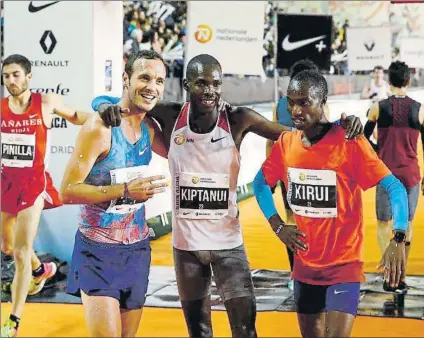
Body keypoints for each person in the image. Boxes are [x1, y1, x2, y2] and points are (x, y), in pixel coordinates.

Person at [92, 54, 363, 338]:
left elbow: (297, 135)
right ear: (186, 84)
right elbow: (123, 102)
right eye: (201, 84)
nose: (209, 90)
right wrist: (103, 105)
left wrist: (339, 127)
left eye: (215, 84)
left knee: (245, 331)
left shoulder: (237, 118)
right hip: (186, 249)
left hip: (228, 247)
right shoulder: (171, 115)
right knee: (198, 331)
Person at [253, 69, 408, 338]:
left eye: (304, 102)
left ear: (323, 101)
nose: (296, 110)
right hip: (304, 268)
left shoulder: (348, 141)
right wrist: (278, 226)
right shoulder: (286, 143)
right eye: (291, 102)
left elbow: (394, 186)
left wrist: (398, 236)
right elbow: (259, 184)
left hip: (344, 267)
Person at [60, 50, 168, 337]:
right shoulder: (100, 127)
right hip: (98, 250)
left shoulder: (150, 128)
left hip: (137, 250)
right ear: (125, 78)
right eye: (144, 77)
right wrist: (123, 190)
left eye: (159, 80)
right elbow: (67, 191)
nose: (152, 86)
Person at [0, 54, 103, 338]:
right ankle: (40, 270)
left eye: (16, 74)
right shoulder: (1, 108)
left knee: (20, 251)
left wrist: (102, 118)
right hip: (6, 183)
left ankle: (12, 321)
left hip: (33, 185)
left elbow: (75, 117)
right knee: (8, 247)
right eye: (6, 75)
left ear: (29, 76)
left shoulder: (45, 103)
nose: (11, 80)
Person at [266, 59, 332, 291]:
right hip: (303, 174)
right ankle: (305, 273)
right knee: (311, 223)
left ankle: (298, 274)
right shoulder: (318, 105)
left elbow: (270, 140)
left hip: (292, 174)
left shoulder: (279, 105)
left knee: (295, 221)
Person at [364, 61, 423, 289]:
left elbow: (363, 138)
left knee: (383, 224)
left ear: (389, 81)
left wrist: (378, 151)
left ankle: (390, 274)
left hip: (386, 175)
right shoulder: (419, 109)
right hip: (411, 175)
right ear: (408, 81)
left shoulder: (378, 107)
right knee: (406, 224)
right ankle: (402, 273)